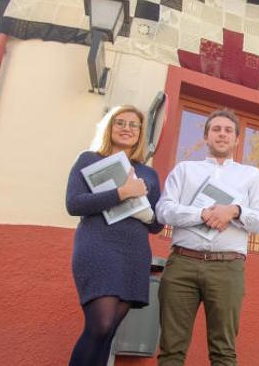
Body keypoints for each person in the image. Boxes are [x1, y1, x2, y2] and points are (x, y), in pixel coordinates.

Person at [156, 109, 259, 365]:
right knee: (171, 349)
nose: (222, 134)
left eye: (228, 130)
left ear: (237, 140)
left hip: (227, 267)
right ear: (206, 136)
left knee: (224, 351)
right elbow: (163, 211)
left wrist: (235, 211)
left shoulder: (251, 176)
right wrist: (202, 213)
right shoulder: (185, 170)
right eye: (216, 129)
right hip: (182, 265)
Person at [66, 105, 164, 366]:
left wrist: (146, 209)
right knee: (100, 324)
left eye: (134, 125)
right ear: (109, 127)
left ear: (140, 133)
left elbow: (155, 225)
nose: (127, 128)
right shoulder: (89, 160)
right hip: (97, 246)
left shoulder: (149, 173)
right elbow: (74, 204)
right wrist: (123, 193)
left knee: (108, 333)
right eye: (120, 122)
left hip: (133, 254)